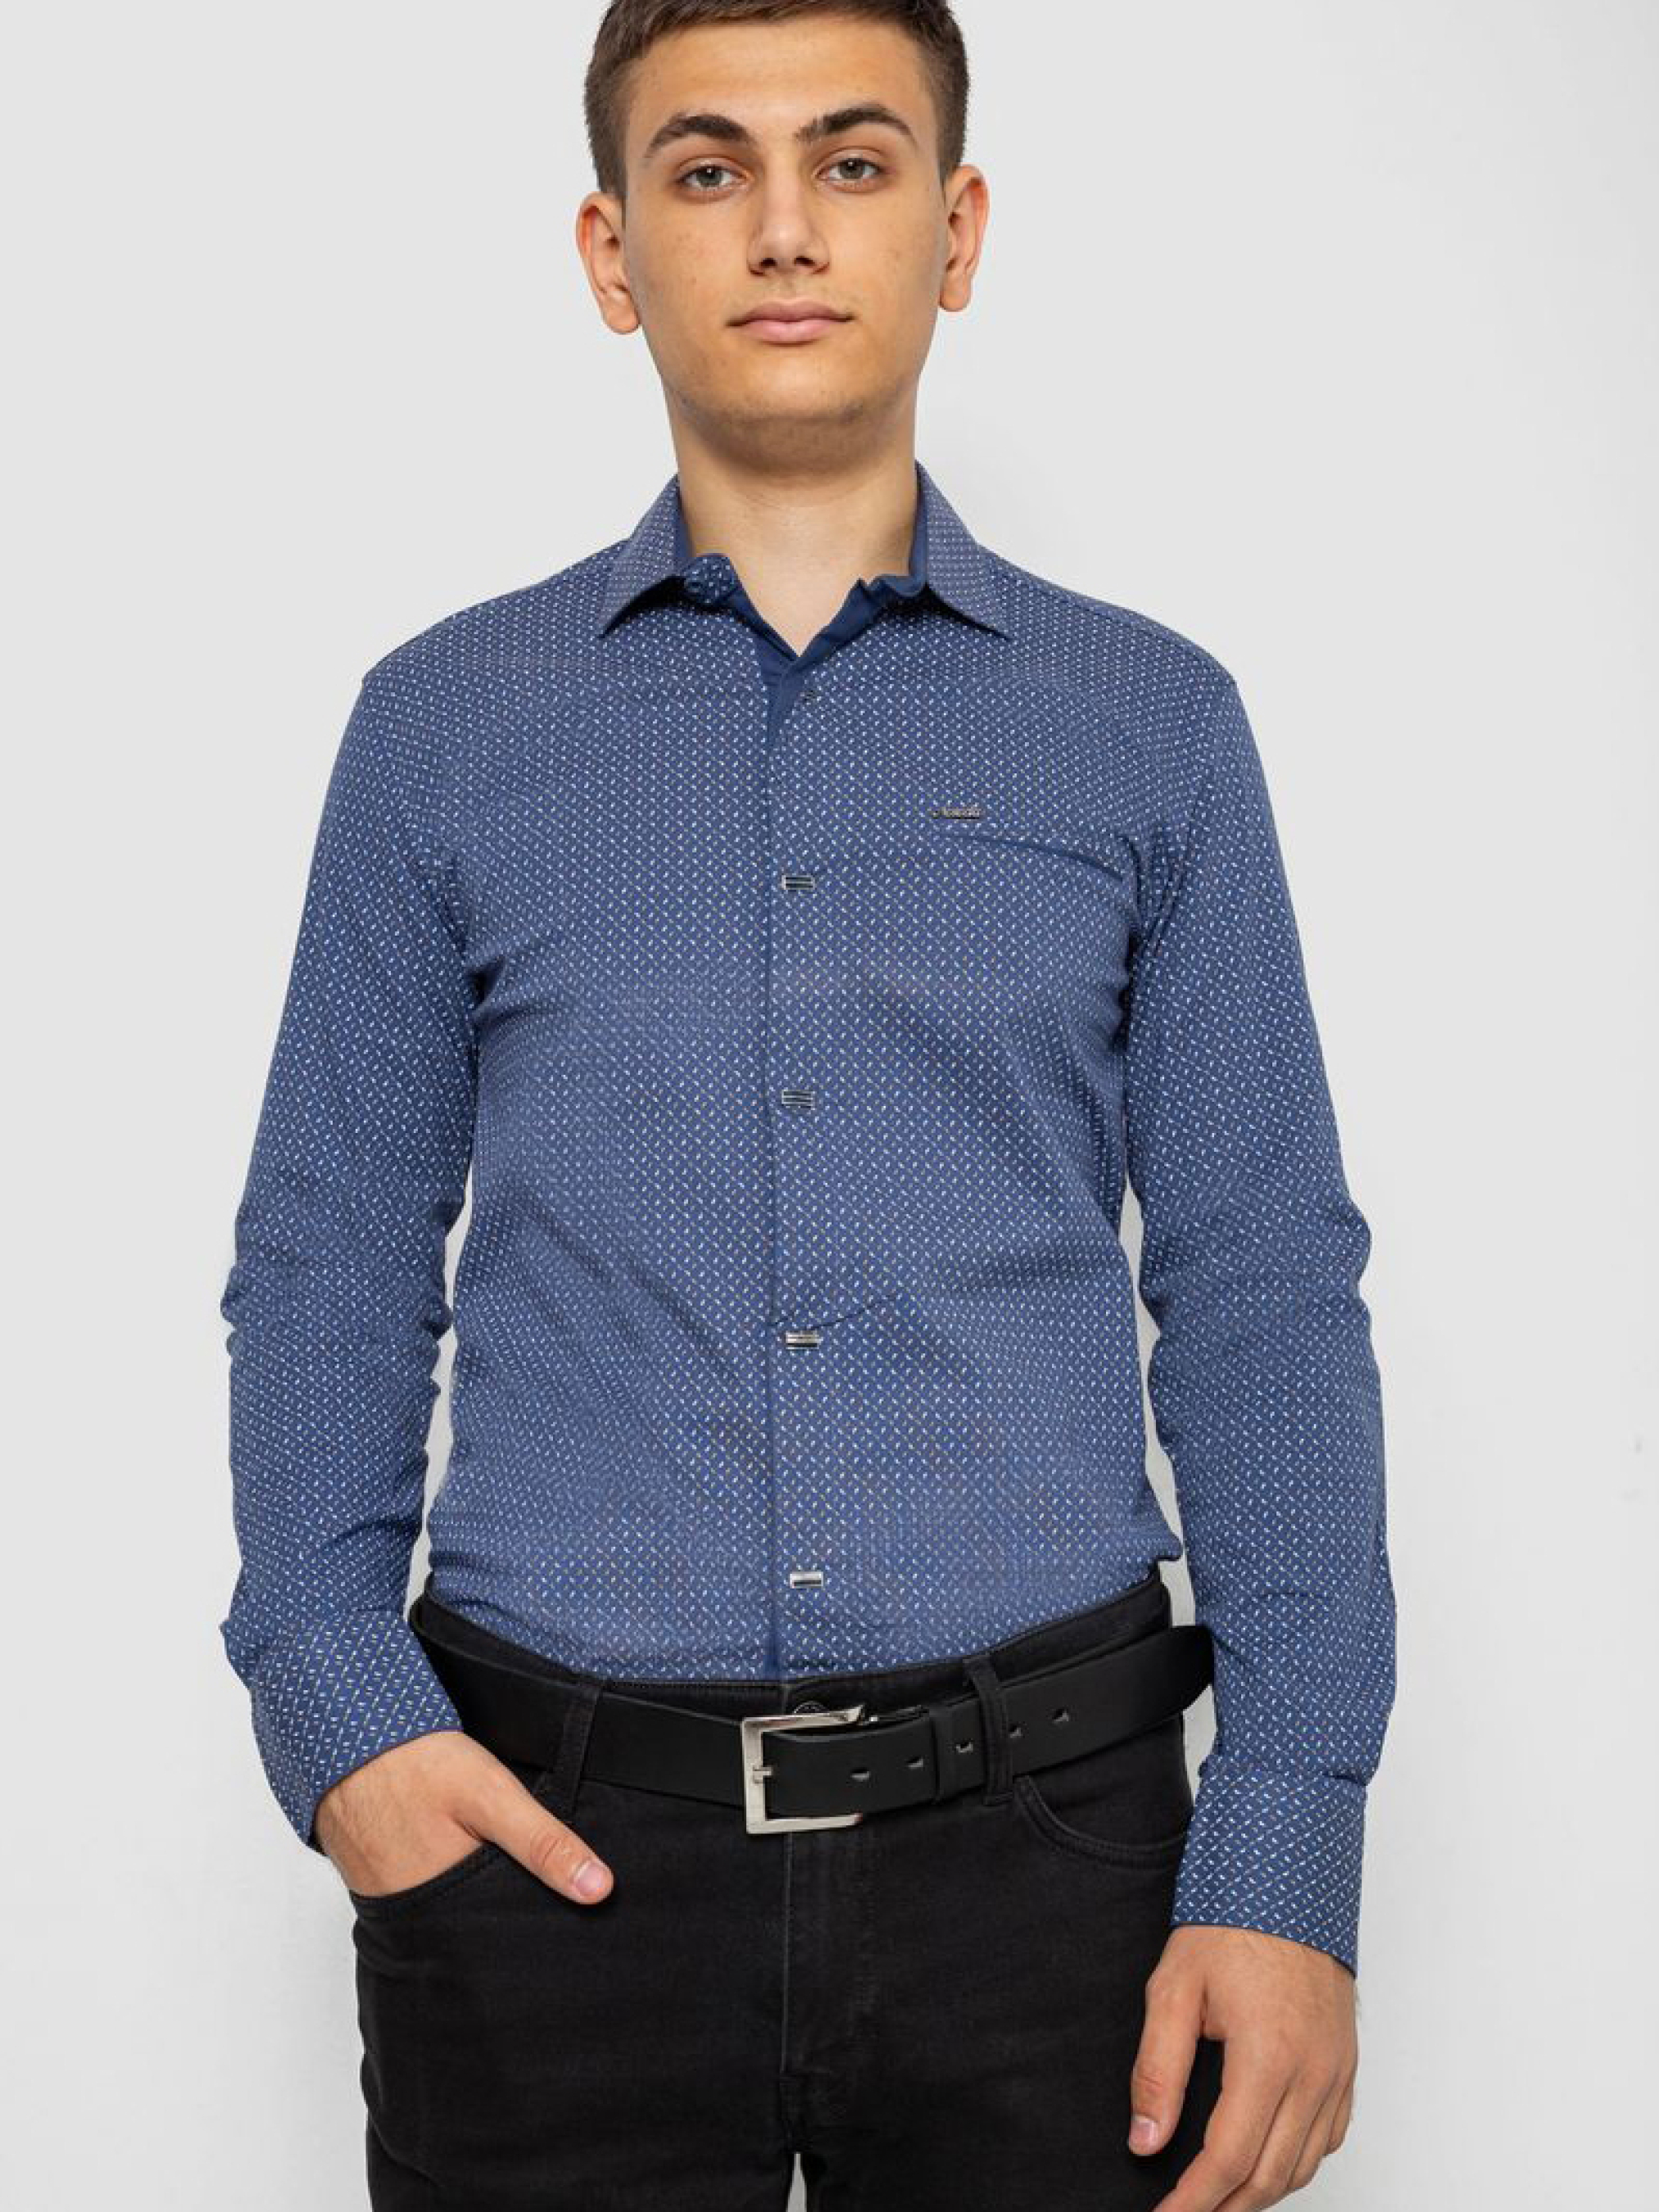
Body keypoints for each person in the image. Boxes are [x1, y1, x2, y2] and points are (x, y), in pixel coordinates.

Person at [216, 3, 1397, 2205]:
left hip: (1053, 1872)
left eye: (853, 163)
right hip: (549, 1862)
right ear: (611, 250)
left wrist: (1288, 1839)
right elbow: (328, 1249)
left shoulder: (1151, 726)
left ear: (956, 231)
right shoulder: (443, 727)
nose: (783, 227)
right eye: (707, 168)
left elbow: (1258, 1289)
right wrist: (335, 1700)